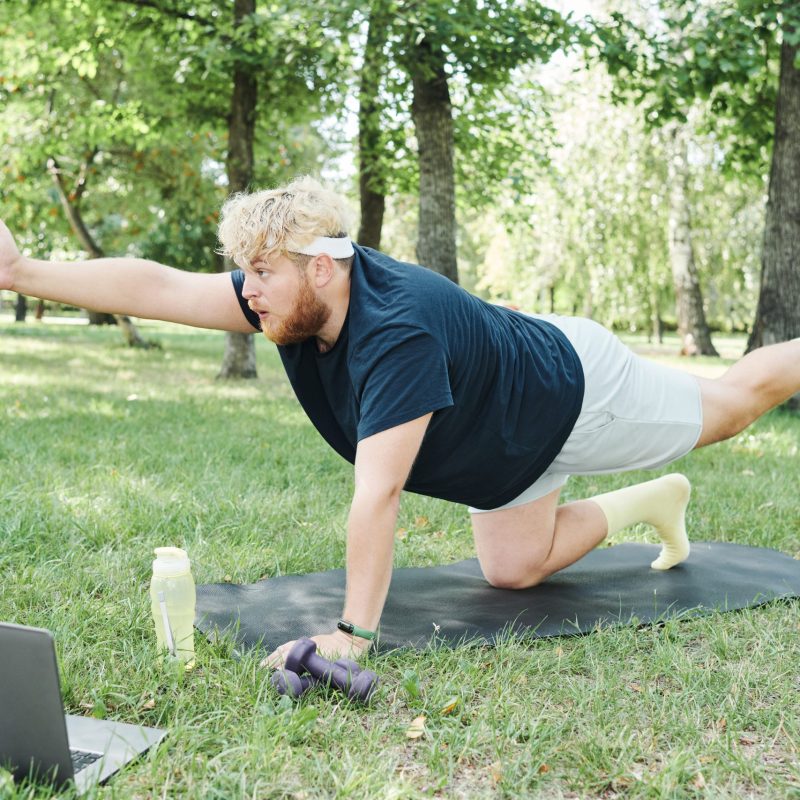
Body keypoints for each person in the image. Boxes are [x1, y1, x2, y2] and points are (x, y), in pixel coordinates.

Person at [1, 176, 798, 668]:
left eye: (262, 273)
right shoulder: (294, 298)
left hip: (575, 395)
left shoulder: (396, 337)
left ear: (322, 266)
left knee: (731, 404)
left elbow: (376, 497)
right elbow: (161, 287)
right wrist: (22, 271)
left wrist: (352, 633)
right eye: (243, 272)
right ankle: (653, 500)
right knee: (513, 571)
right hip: (503, 445)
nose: (246, 291)